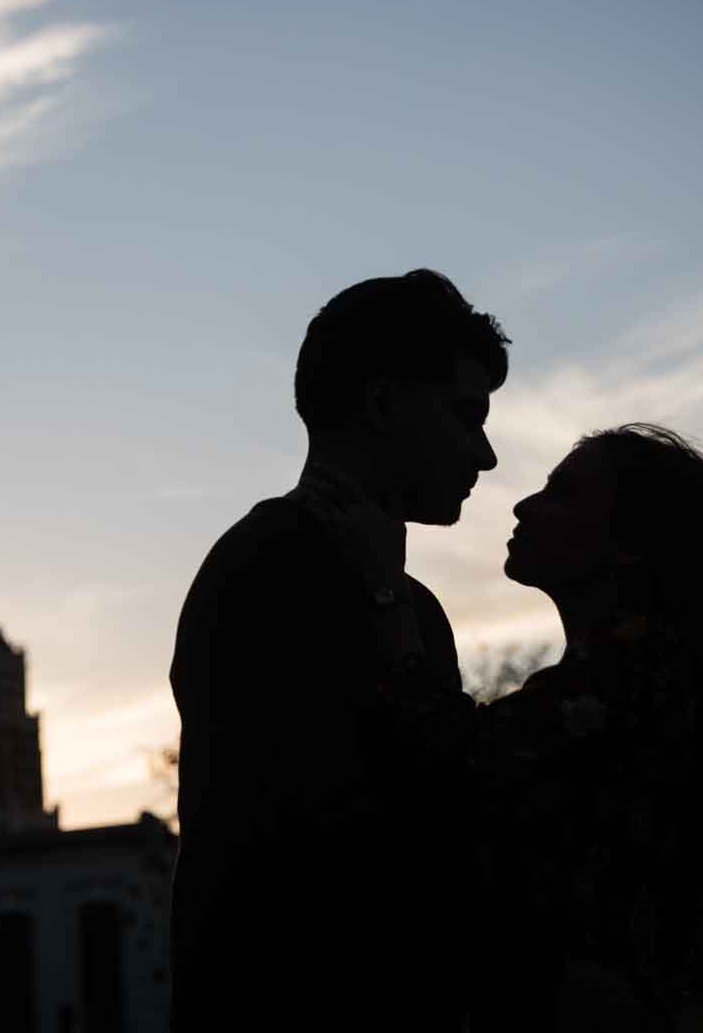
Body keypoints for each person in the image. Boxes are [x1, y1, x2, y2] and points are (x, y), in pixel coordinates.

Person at [168, 270, 508, 1031]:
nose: (485, 454)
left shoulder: (404, 604)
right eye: (465, 415)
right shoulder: (267, 571)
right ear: (385, 404)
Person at [406, 424, 703, 1031]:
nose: (524, 505)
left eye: (562, 492)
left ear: (630, 544)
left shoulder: (621, 692)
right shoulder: (645, 679)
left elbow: (435, 773)